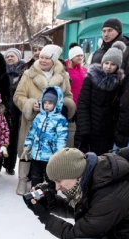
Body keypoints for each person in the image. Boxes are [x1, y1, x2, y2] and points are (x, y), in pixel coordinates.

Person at [13, 44, 76, 196]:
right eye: (41, 57)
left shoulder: (63, 76)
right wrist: (28, 104)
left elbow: (68, 96)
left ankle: (51, 184)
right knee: (26, 151)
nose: (43, 60)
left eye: (47, 58)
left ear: (53, 60)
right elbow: (18, 95)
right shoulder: (29, 74)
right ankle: (22, 181)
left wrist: (61, 106)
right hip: (32, 121)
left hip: (53, 123)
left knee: (50, 153)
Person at [75, 43, 124, 155]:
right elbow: (83, 104)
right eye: (106, 63)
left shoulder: (118, 84)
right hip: (87, 130)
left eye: (113, 64)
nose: (108, 66)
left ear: (117, 67)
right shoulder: (90, 79)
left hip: (106, 133)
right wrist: (84, 130)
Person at [21, 87, 68, 188]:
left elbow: (61, 139)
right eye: (45, 102)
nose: (46, 105)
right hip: (36, 155)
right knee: (35, 177)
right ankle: (35, 198)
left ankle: (49, 198)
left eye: (50, 103)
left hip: (50, 156)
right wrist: (27, 146)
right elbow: (31, 133)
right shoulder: (38, 117)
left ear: (56, 103)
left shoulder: (60, 120)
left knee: (49, 179)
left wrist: (58, 154)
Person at [4, 48, 26, 174]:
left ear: (18, 57)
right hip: (5, 108)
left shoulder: (24, 72)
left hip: (19, 108)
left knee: (14, 137)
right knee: (3, 135)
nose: (10, 58)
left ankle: (9, 165)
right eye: (8, 57)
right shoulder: (3, 72)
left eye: (12, 56)